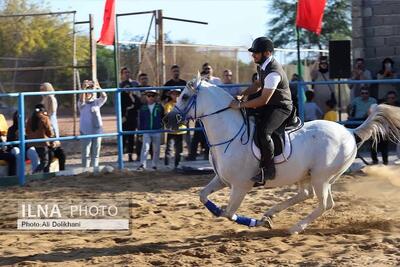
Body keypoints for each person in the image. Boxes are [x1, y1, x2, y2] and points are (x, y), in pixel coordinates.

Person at [229, 37, 293, 185]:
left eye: (256, 53)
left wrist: (240, 105)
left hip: (281, 107)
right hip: (271, 104)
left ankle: (269, 170)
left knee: (264, 132)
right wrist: (243, 94)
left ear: (267, 53)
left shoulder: (273, 73)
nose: (253, 55)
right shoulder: (263, 66)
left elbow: (263, 100)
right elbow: (257, 84)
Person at [78, 80, 107, 168]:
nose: (88, 92)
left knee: (95, 153)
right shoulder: (81, 104)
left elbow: (104, 97)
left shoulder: (96, 102)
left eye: (90, 90)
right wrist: (83, 88)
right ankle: (85, 170)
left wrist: (99, 88)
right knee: (86, 153)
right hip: (86, 131)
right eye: (87, 91)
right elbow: (82, 100)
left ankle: (94, 169)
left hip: (97, 130)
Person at [137, 90, 164, 170]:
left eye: (153, 96)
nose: (151, 97)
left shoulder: (159, 107)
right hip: (146, 131)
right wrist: (140, 132)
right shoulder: (143, 107)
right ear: (146, 97)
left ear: (156, 97)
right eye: (149, 96)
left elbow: (163, 118)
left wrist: (161, 127)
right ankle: (142, 164)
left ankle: (154, 164)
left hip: (157, 130)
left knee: (156, 149)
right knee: (145, 147)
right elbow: (140, 120)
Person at [371, 91, 400, 165]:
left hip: (396, 127)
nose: (391, 99)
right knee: (376, 142)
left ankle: (386, 162)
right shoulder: (383, 106)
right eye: (389, 98)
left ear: (395, 98)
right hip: (384, 127)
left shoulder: (398, 105)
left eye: (392, 98)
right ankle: (376, 161)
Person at [120, 68, 142, 162]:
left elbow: (138, 102)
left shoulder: (135, 87)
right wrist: (122, 116)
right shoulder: (120, 90)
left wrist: (132, 98)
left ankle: (130, 156)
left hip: (133, 117)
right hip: (124, 117)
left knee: (132, 136)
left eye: (128, 72)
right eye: (125, 72)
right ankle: (121, 156)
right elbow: (119, 104)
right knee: (123, 136)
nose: (127, 74)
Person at [25, 104, 53, 173]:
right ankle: (35, 174)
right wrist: (51, 137)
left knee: (44, 159)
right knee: (45, 161)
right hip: (42, 143)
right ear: (43, 110)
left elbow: (27, 131)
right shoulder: (44, 118)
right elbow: (49, 131)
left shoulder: (30, 119)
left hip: (34, 143)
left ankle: (45, 174)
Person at [164, 89, 185, 169]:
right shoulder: (168, 105)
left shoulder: (183, 104)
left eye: (177, 94)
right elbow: (168, 115)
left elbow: (185, 116)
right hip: (171, 130)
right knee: (169, 148)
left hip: (181, 130)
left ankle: (177, 164)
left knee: (179, 150)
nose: (175, 96)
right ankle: (167, 165)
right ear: (170, 95)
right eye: (173, 94)